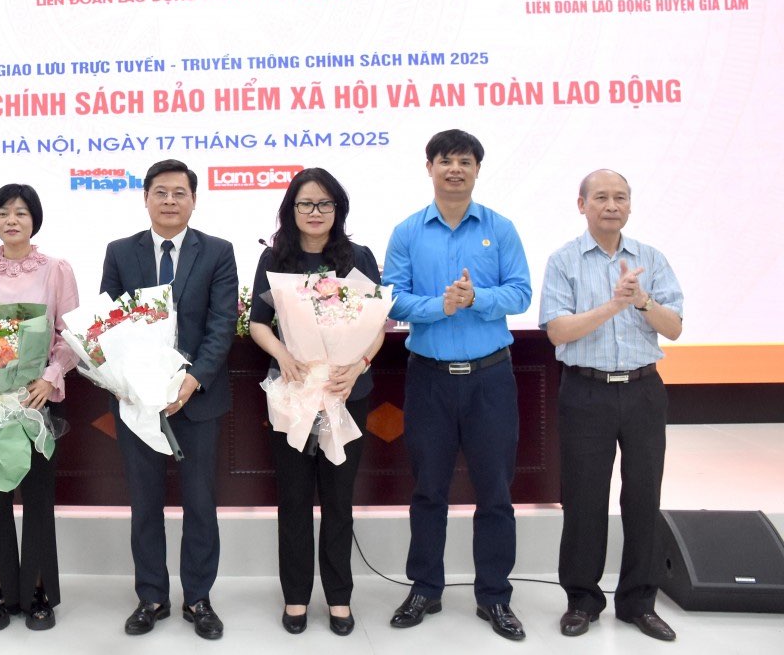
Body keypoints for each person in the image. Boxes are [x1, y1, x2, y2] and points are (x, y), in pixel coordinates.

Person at [382, 129, 532, 641]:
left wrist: (476, 299)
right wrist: (439, 307)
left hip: (491, 379)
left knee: (495, 491)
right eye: (444, 161)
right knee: (428, 490)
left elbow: (521, 293)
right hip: (429, 381)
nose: (454, 169)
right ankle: (425, 587)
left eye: (464, 161)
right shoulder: (407, 232)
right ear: (429, 167)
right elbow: (393, 301)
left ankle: (494, 597)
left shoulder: (500, 228)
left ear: (476, 170)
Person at [540, 169, 683, 642]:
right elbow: (558, 331)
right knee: (584, 499)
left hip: (643, 391)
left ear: (629, 205)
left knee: (643, 497)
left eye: (620, 197)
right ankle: (582, 600)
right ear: (581, 205)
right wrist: (614, 306)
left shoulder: (651, 259)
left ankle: (639, 602)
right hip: (585, 391)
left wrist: (640, 299)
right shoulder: (564, 261)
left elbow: (674, 326)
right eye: (600, 197)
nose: (611, 205)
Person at [100, 159, 238, 640]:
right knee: (145, 502)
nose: (170, 201)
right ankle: (151, 596)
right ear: (146, 198)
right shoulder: (120, 252)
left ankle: (198, 598)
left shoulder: (218, 252)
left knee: (201, 501)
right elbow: (109, 325)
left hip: (197, 399)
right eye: (161, 192)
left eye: (180, 193)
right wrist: (136, 384)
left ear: (194, 200)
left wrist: (192, 380)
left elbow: (223, 325)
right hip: (140, 402)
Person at [248, 168, 385, 636]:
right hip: (292, 394)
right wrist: (283, 353)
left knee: (339, 500)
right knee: (293, 499)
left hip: (347, 395)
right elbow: (258, 322)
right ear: (291, 209)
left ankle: (340, 598)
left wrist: (360, 363)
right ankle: (295, 596)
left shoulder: (358, 256)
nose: (315, 212)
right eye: (305, 204)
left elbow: (375, 324)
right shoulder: (275, 257)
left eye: (324, 204)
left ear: (338, 210)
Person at [0, 184, 80, 632]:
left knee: (37, 498)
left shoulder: (56, 270)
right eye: (4, 212)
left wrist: (49, 379)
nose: (12, 220)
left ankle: (37, 593)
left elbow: (71, 335)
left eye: (22, 213)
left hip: (35, 400)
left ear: (35, 220)